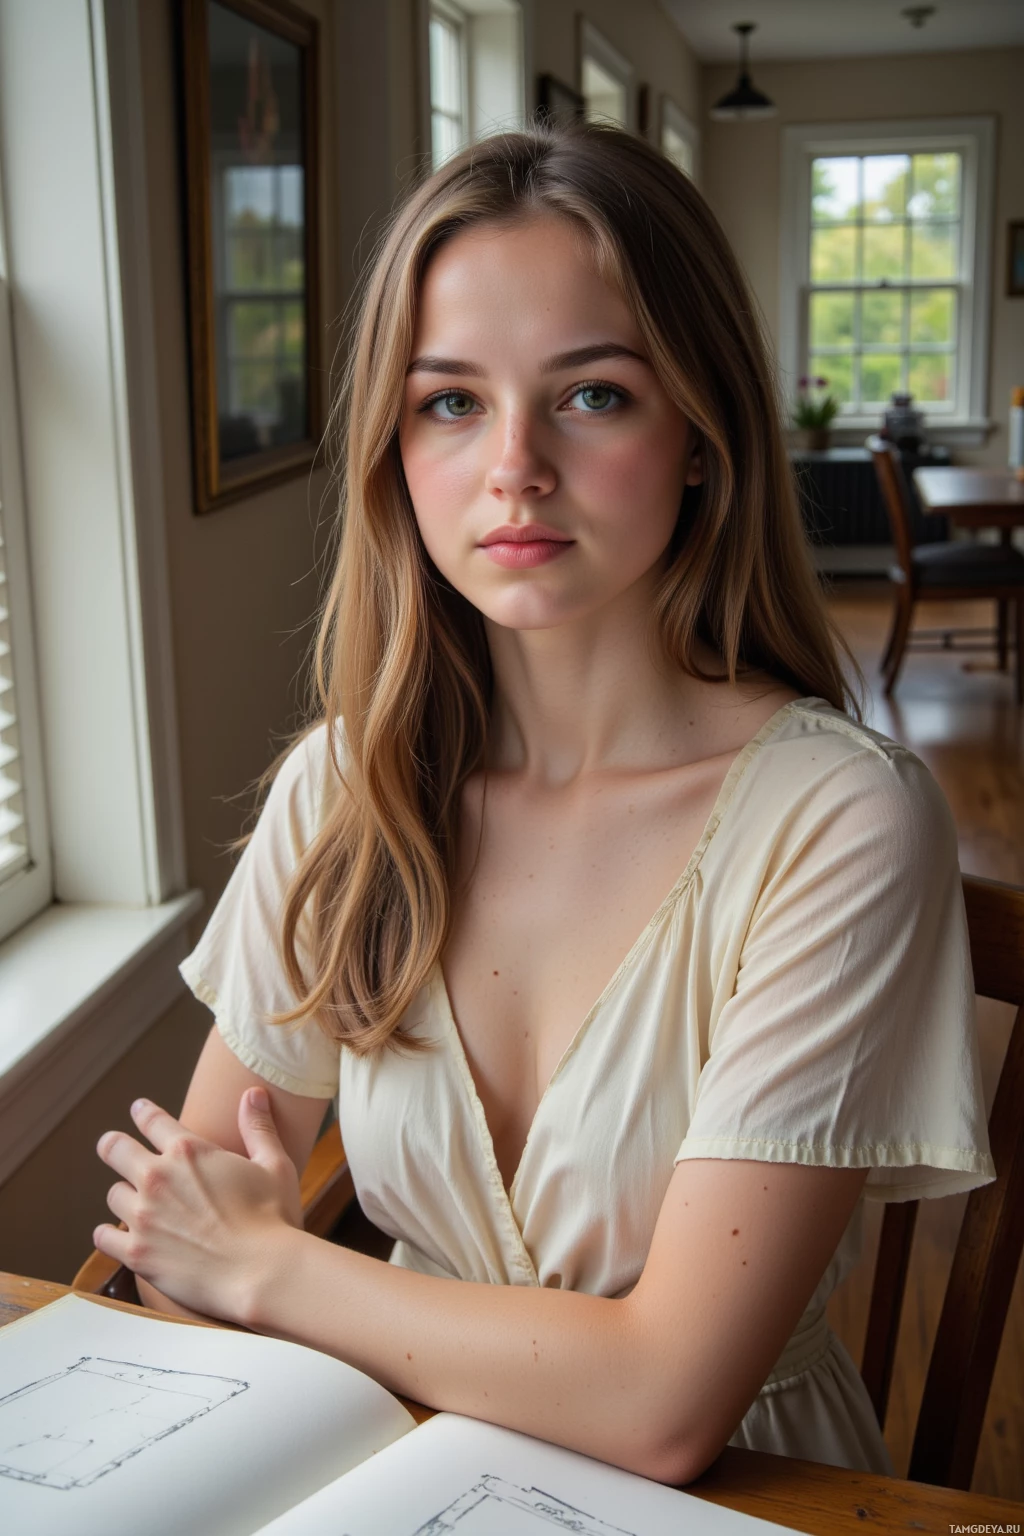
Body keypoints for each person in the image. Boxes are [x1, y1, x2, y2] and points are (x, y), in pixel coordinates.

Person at [94, 123, 994, 1484]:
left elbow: (665, 1405)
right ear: (395, 450)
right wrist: (233, 1269)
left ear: (701, 432)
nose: (513, 464)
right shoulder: (343, 790)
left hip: (748, 1498)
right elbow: (183, 1245)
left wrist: (273, 1270)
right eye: (450, 401)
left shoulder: (841, 820)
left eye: (593, 395)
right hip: (389, 1472)